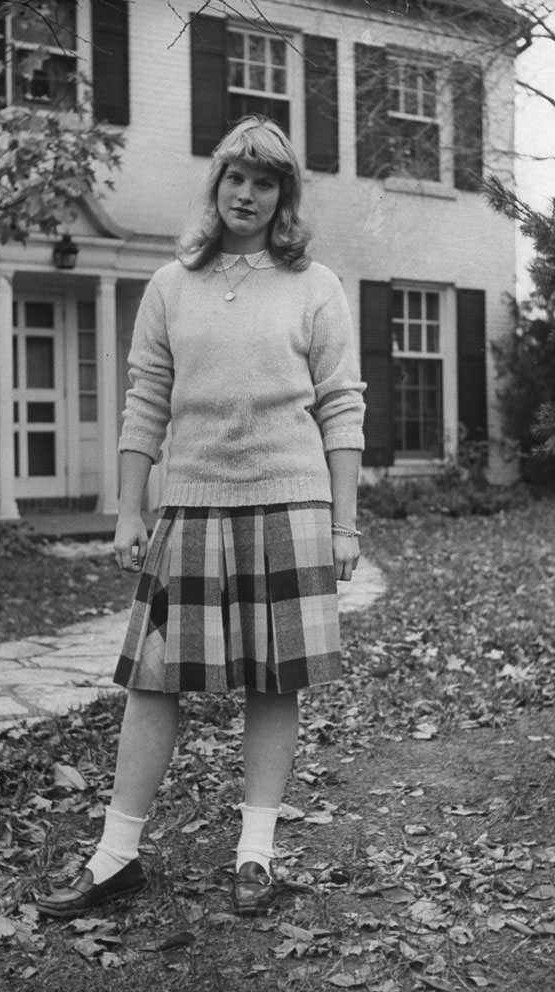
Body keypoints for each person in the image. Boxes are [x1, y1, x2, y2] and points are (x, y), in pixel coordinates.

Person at [36, 115, 366, 920]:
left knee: (272, 683)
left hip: (288, 503)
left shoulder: (314, 286)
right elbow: (144, 399)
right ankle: (114, 858)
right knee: (153, 685)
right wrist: (127, 511)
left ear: (282, 196)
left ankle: (254, 856)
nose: (245, 193)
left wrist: (345, 524)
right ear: (215, 185)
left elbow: (341, 407)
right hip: (188, 506)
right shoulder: (169, 285)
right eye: (234, 178)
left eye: (263, 181)